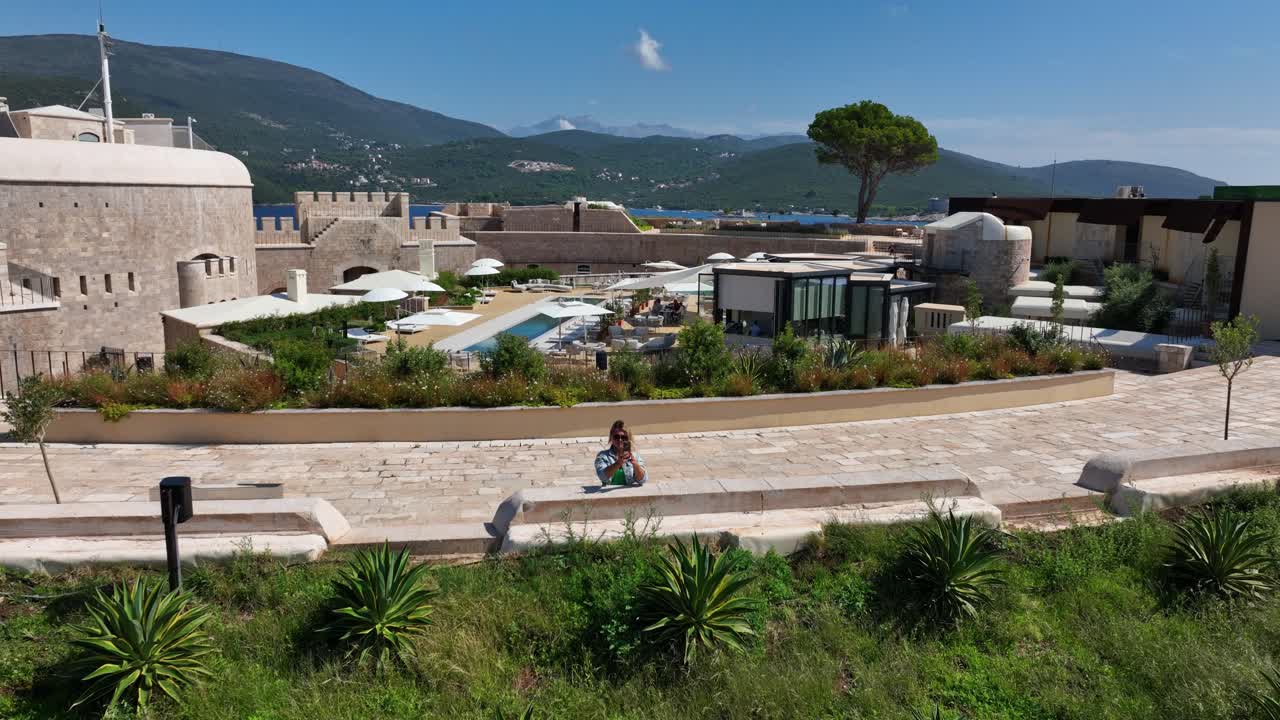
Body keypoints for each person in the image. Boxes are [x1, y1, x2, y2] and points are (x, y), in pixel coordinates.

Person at [595, 420, 647, 486]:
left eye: (624, 437)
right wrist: (618, 463)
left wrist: (635, 464)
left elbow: (643, 480)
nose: (620, 440)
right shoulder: (603, 456)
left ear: (628, 438)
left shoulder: (635, 456)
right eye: (616, 437)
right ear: (611, 437)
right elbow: (603, 477)